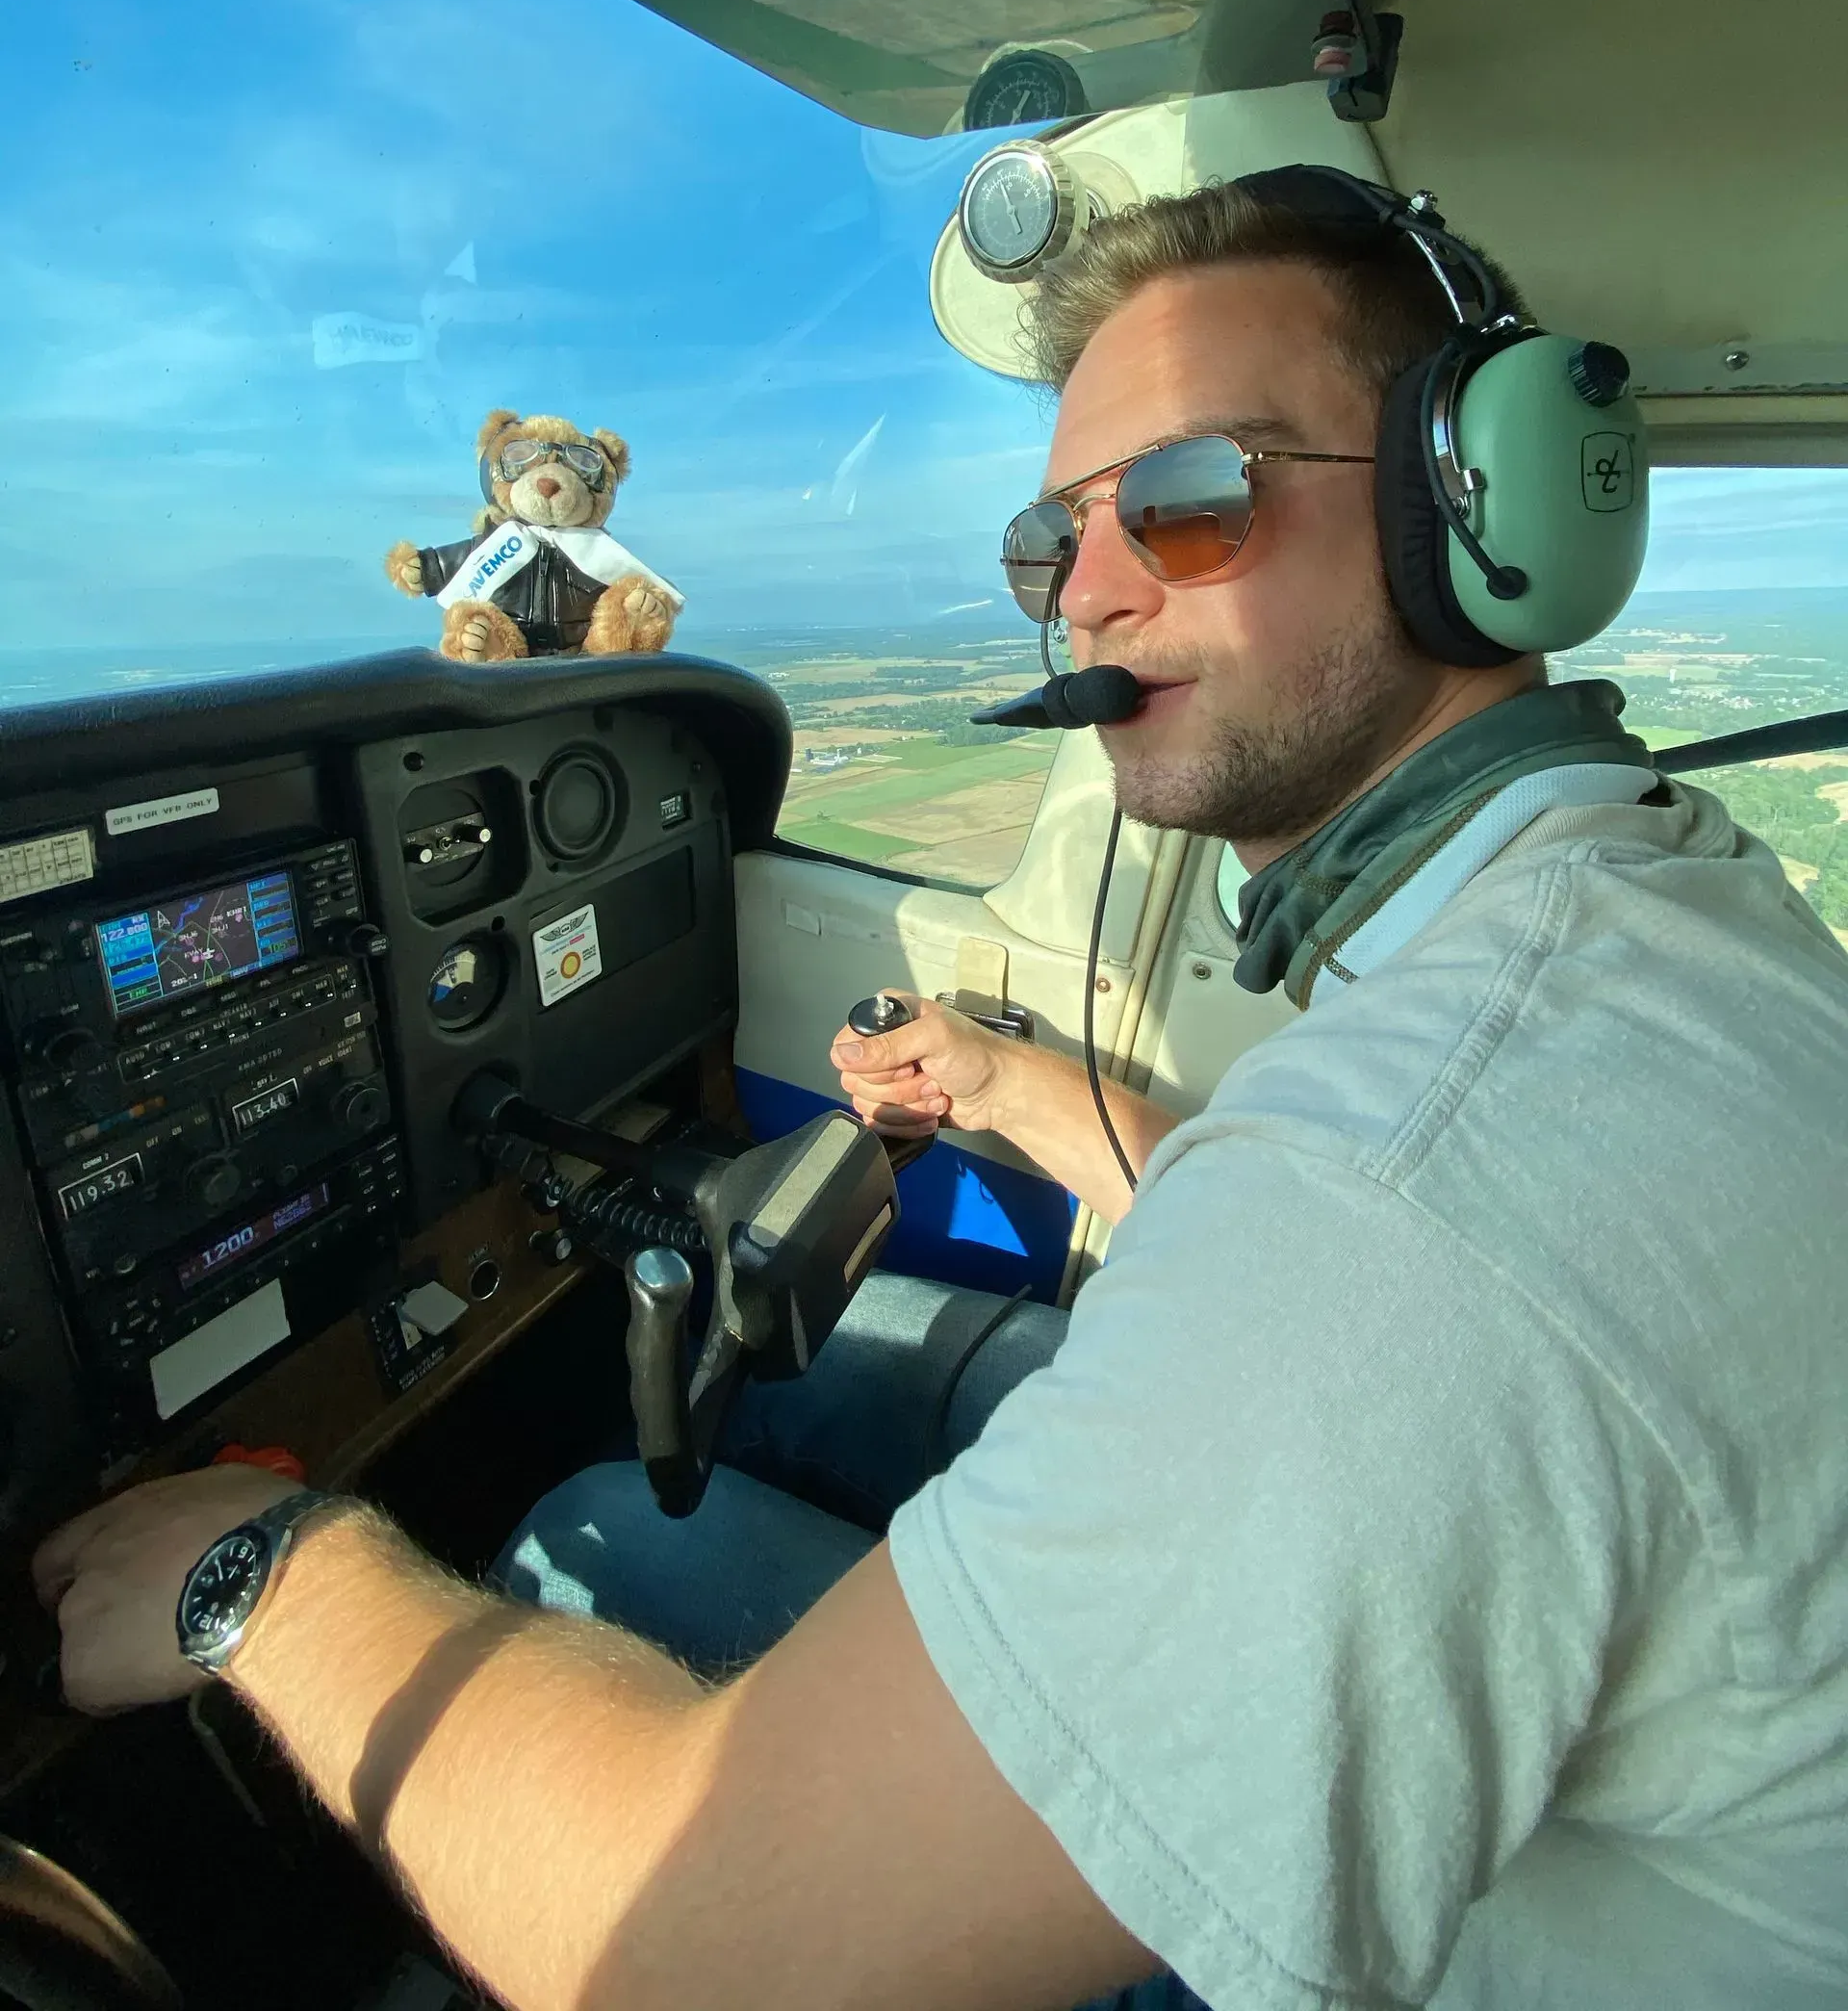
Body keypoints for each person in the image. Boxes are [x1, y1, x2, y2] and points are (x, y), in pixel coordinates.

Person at [37, 176, 1848, 2011]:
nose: (1085, 592)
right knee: (862, 1344)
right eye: (1050, 538)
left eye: (1189, 502)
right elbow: (1347, 1240)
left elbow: (686, 1953)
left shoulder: (1415, 1194)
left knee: (582, 1525)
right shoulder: (1642, 893)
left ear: (1477, 509)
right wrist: (1017, 1084)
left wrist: (261, 1568)